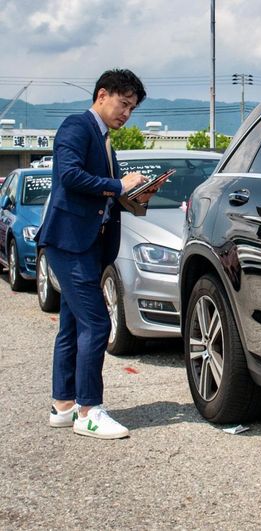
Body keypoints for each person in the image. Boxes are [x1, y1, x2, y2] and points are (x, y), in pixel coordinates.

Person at [36, 69, 150, 439]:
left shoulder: (104, 139)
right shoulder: (77, 126)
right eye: (123, 104)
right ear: (102, 95)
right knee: (98, 323)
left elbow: (104, 193)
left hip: (89, 244)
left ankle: (63, 405)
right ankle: (88, 411)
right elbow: (69, 176)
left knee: (72, 324)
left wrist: (133, 195)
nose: (126, 114)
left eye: (132, 108)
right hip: (69, 242)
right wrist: (118, 184)